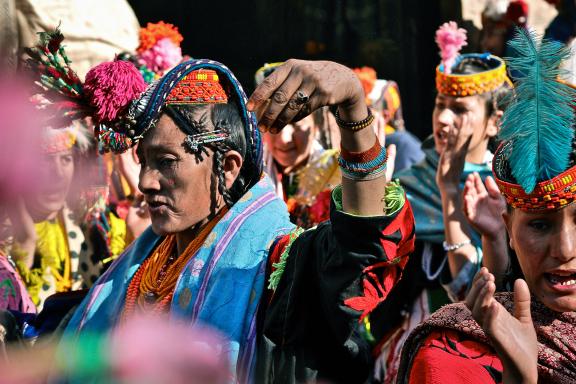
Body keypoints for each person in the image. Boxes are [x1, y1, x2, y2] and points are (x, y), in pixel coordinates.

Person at [30, 28, 416, 383]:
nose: (146, 181)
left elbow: (363, 244)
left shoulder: (277, 268)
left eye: (165, 162)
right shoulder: (138, 264)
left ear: (227, 169)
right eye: (143, 161)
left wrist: (353, 109)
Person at [397, 28, 576, 384]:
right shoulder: (453, 350)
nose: (565, 249)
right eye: (539, 225)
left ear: (494, 121)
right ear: (511, 229)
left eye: (460, 109)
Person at [371, 21, 512, 382]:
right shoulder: (408, 184)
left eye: (460, 109)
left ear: (494, 122)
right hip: (416, 345)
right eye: (439, 105)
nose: (444, 120)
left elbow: (479, 292)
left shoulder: (511, 189)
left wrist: (451, 194)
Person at [255, 62, 345, 228]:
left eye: (294, 123)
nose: (283, 138)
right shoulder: (250, 175)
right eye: (271, 123)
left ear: (316, 125)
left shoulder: (339, 170)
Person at [353, 66, 424, 173]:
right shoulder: (353, 144)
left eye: (364, 110)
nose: (354, 117)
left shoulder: (404, 145)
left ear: (385, 116)